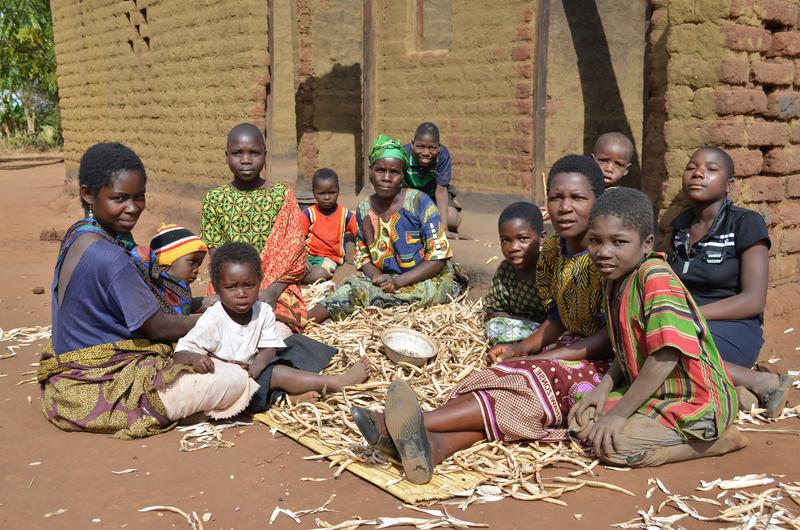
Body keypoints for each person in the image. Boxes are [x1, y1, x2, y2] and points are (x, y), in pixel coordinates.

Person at [37, 143, 258, 438]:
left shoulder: (81, 234)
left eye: (138, 197)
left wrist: (202, 303)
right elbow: (158, 327)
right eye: (119, 198)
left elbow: (126, 303)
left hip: (67, 379)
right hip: (99, 383)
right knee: (236, 379)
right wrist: (225, 315)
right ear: (88, 195)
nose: (132, 208)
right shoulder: (110, 257)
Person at [568, 187, 746, 467]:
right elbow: (625, 348)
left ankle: (718, 440)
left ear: (647, 243)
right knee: (579, 420)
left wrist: (619, 414)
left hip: (692, 399)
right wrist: (602, 390)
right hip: (655, 394)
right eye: (595, 241)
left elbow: (665, 358)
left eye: (619, 242)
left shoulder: (656, 279)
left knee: (613, 449)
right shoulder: (614, 279)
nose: (604, 252)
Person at [171, 242, 371, 414]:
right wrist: (196, 359)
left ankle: (285, 396)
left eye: (248, 285)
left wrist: (258, 366)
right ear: (216, 286)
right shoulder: (213, 318)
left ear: (259, 282)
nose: (241, 293)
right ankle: (334, 383)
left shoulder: (263, 310)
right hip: (235, 381)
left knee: (295, 345)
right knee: (275, 373)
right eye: (231, 287)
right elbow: (180, 352)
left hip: (255, 367)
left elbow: (269, 349)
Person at [669, 146, 791, 417]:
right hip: (683, 323)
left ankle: (761, 381)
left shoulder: (746, 224)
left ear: (729, 185)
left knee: (662, 353)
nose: (698, 173)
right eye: (692, 167)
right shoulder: (679, 229)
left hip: (732, 327)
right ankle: (735, 386)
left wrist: (692, 314)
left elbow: (752, 300)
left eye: (711, 170)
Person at [351, 362, 610, 484]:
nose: (603, 251)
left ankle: (417, 422)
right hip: (586, 355)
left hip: (599, 370)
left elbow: (605, 341)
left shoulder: (642, 282)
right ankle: (435, 446)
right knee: (499, 381)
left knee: (528, 383)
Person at [308, 135, 454, 322]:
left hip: (427, 280)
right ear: (371, 171)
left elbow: (439, 258)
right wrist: (378, 278)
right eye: (380, 170)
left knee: (360, 292)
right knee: (356, 288)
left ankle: (312, 319)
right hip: (388, 280)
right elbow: (363, 256)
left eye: (394, 172)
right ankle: (306, 321)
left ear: (403, 174)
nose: (386, 178)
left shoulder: (419, 202)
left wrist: (397, 282)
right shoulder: (363, 209)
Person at [487, 155, 609, 364]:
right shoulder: (552, 250)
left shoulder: (607, 256)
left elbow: (610, 336)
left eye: (577, 198)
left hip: (601, 360)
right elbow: (557, 318)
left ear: (598, 201)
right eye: (555, 198)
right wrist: (521, 348)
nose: (564, 208)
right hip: (566, 344)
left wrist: (541, 359)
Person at [201, 123, 307, 336]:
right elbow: (217, 257)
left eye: (254, 153)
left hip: (277, 285)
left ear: (265, 155)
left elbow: (294, 252)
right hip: (230, 285)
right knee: (220, 332)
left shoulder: (282, 195)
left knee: (277, 332)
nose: (246, 160)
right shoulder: (215, 199)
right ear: (226, 156)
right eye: (237, 153)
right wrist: (235, 291)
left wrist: (272, 292)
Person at [484, 202, 548, 345]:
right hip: (516, 329)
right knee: (494, 327)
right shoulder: (506, 270)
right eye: (505, 240)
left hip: (548, 331)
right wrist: (521, 322)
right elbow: (494, 311)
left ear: (542, 238)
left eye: (523, 239)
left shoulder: (550, 269)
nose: (513, 247)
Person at [403, 122, 465, 238]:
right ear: (412, 144)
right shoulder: (404, 155)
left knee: (451, 218)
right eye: (420, 146)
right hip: (410, 199)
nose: (426, 152)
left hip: (434, 198)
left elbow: (441, 190)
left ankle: (452, 210)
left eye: (432, 147)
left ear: (439, 147)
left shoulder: (442, 156)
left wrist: (444, 230)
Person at [300, 168, 357, 284]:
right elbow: (299, 238)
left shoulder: (345, 215)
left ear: (338, 191)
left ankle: (298, 279)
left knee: (319, 274)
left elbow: (360, 233)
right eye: (321, 193)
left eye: (331, 193)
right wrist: (303, 258)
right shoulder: (308, 213)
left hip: (328, 259)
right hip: (307, 255)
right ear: (314, 193)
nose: (327, 197)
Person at [149, 224, 208, 315]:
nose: (196, 270)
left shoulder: (178, 287)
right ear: (168, 261)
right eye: (192, 262)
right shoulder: (156, 290)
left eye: (199, 265)